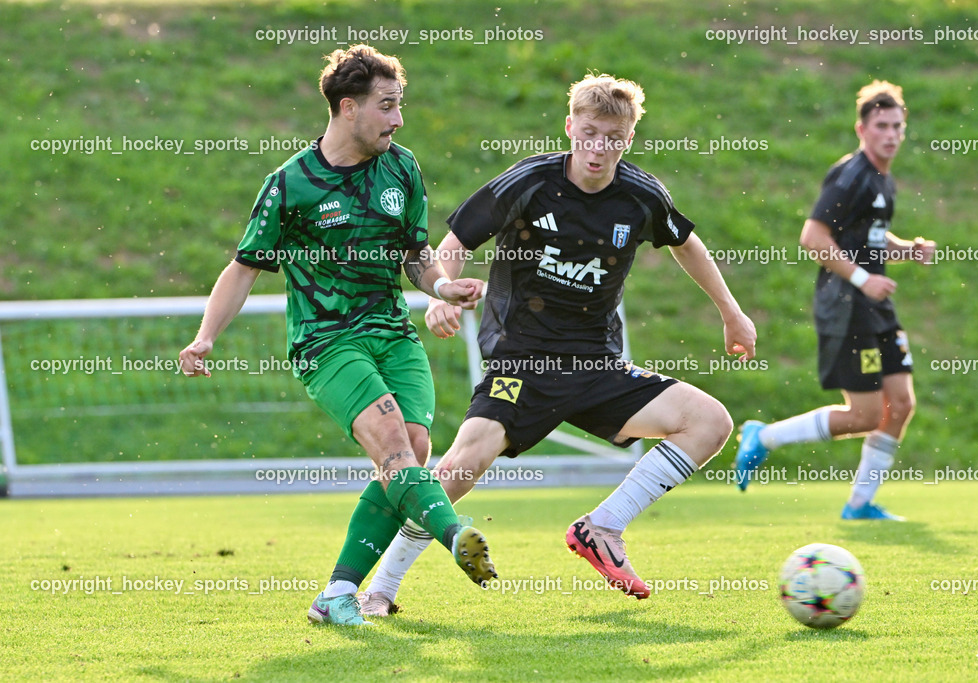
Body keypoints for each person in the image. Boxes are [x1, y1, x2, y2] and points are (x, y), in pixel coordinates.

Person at [354, 73, 757, 615]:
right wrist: (444, 295)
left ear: (629, 138)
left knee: (710, 421)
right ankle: (382, 587)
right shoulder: (529, 182)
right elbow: (452, 244)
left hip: (597, 367)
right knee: (458, 468)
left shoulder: (640, 196)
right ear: (570, 127)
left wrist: (730, 312)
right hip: (522, 359)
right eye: (589, 133)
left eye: (613, 137)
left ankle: (604, 527)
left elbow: (687, 243)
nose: (599, 148)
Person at [178, 44, 497, 627]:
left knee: (414, 454)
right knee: (396, 446)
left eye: (400, 106)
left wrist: (441, 287)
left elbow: (415, 255)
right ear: (348, 108)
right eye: (388, 106)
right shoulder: (291, 184)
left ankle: (335, 594)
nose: (398, 119)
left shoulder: (402, 167)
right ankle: (455, 536)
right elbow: (245, 266)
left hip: (392, 333)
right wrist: (205, 337)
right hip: (326, 341)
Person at [733, 80, 936, 521]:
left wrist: (907, 250)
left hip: (874, 306)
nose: (892, 134)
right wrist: (864, 279)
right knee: (865, 414)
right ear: (861, 129)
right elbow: (813, 237)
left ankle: (860, 504)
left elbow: (869, 240)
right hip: (847, 309)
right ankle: (763, 436)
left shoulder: (884, 180)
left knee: (900, 404)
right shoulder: (852, 176)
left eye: (898, 126)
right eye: (882, 126)